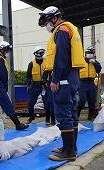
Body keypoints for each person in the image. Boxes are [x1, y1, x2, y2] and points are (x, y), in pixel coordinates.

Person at [38, 6, 86, 161]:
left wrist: (55, 79)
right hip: (72, 77)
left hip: (64, 77)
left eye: (47, 21)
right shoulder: (69, 28)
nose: (46, 25)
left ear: (54, 18)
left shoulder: (62, 30)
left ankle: (69, 152)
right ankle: (70, 147)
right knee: (71, 114)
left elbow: (61, 57)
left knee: (63, 114)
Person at [0, 41, 28, 130]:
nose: (7, 52)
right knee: (7, 105)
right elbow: (3, 75)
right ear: (2, 49)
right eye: (6, 50)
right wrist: (5, 87)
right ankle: (18, 124)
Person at [26, 46, 55, 125]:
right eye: (39, 53)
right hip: (35, 85)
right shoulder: (31, 63)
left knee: (49, 103)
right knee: (30, 104)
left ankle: (50, 118)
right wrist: (28, 86)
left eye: (42, 53)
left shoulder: (47, 62)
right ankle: (31, 116)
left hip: (45, 84)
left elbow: (51, 73)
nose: (41, 54)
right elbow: (28, 76)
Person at [78, 46, 102, 120]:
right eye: (88, 53)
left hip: (91, 82)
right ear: (85, 53)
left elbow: (99, 70)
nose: (90, 55)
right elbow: (75, 71)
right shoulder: (81, 61)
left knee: (92, 101)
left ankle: (90, 116)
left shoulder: (95, 62)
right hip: (82, 82)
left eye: (91, 53)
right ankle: (76, 115)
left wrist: (95, 63)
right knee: (82, 100)